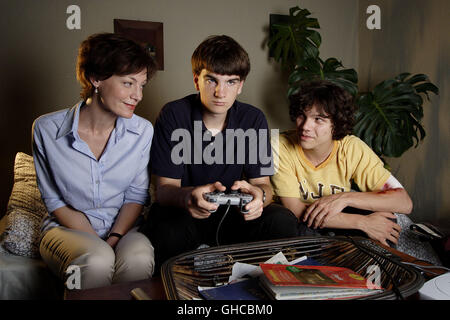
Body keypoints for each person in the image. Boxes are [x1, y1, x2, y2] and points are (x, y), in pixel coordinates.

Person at [139, 35, 298, 270]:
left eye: (231, 82)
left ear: (241, 85)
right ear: (197, 80)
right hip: (186, 215)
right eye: (212, 81)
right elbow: (164, 190)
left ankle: (256, 287)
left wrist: (259, 197)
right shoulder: (174, 114)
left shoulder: (252, 119)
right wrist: (188, 196)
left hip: (234, 216)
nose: (220, 93)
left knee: (282, 220)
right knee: (166, 227)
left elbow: (264, 185)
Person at [32, 33, 157, 289]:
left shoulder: (143, 131)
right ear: (96, 78)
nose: (138, 95)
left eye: (141, 85)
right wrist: (101, 246)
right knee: (97, 261)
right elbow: (54, 201)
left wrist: (114, 238)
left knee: (139, 258)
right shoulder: (45, 129)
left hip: (124, 228)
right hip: (67, 229)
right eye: (128, 83)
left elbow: (136, 196)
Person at [271, 80, 413, 246]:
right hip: (289, 226)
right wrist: (363, 223)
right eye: (302, 115)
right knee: (292, 225)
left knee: (388, 217)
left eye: (318, 119)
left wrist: (345, 198)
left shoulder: (351, 147)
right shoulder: (279, 145)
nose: (305, 126)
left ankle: (379, 267)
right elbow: (295, 210)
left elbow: (404, 202)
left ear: (336, 124)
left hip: (332, 221)